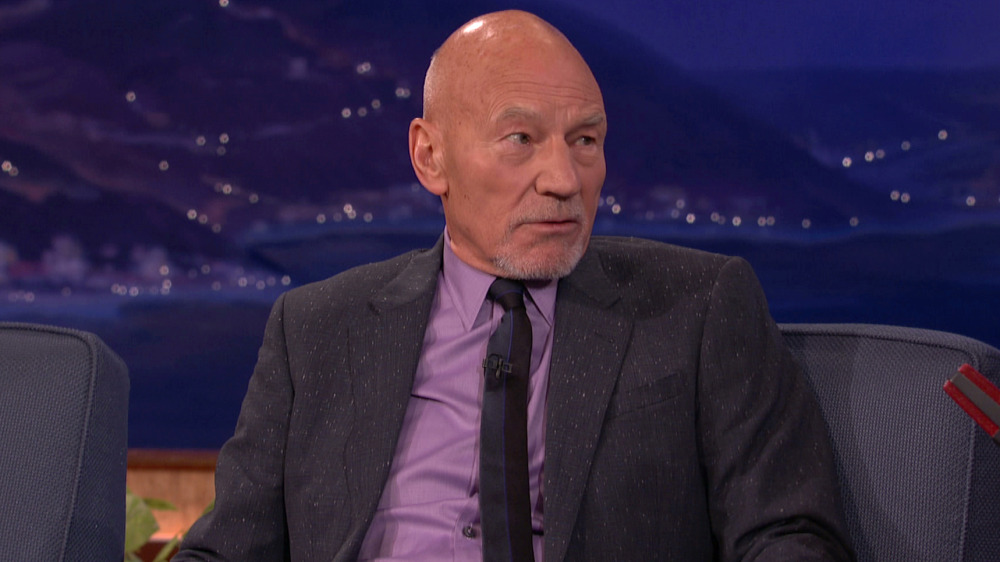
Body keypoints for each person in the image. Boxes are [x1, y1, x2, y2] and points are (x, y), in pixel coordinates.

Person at [175, 10, 853, 561]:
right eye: (521, 138)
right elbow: (226, 550)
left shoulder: (699, 306)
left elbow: (789, 535)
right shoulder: (316, 330)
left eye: (585, 141)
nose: (563, 179)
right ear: (430, 156)